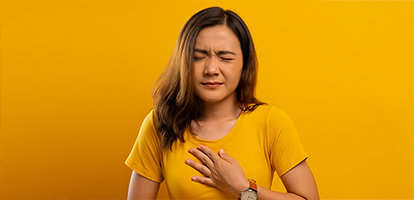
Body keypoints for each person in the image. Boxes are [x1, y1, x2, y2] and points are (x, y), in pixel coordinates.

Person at [125, 6, 319, 200]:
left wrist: (243, 188)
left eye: (225, 58)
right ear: (183, 62)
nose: (211, 69)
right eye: (198, 57)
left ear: (244, 64)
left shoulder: (272, 123)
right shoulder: (161, 123)